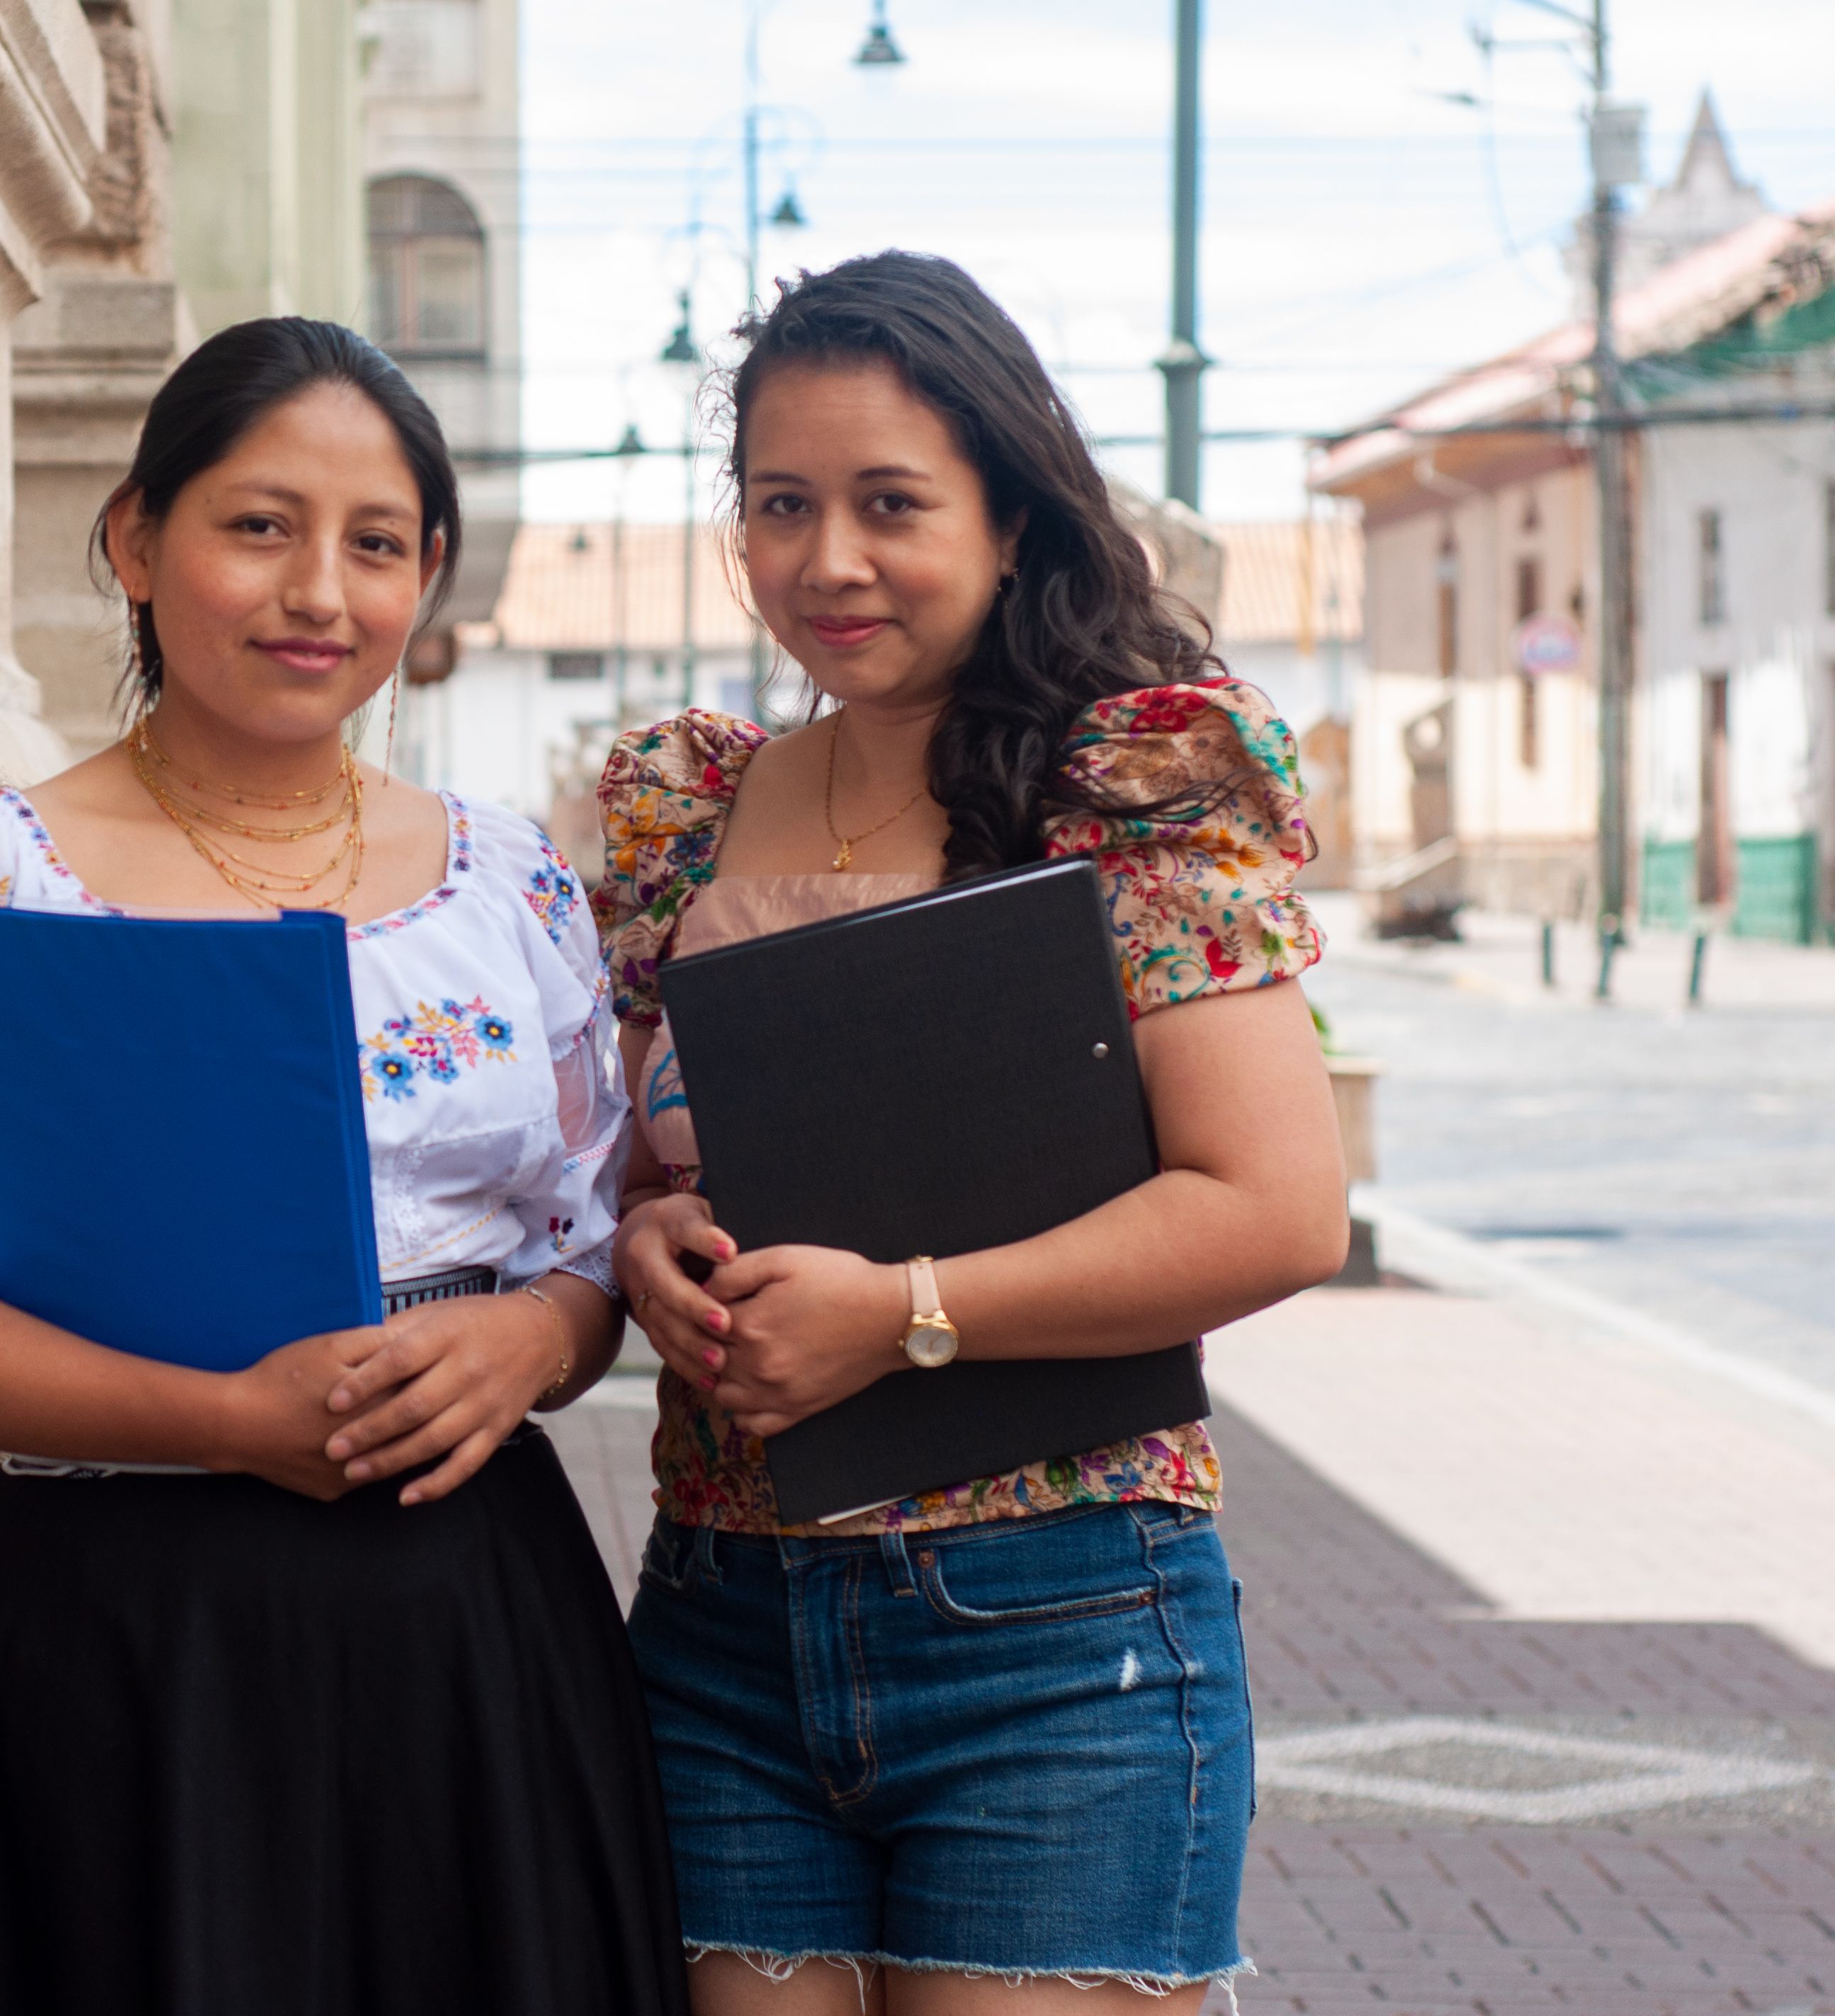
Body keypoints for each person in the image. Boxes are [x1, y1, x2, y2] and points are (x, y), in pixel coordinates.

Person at [0, 317, 686, 2016]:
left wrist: (532, 1337)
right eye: (258, 525)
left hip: (467, 1607)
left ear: (424, 579)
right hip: (126, 1626)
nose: (317, 591)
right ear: (133, 540)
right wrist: (235, 1418)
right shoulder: (0, 876)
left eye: (374, 543)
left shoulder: (509, 881)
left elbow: (596, 1244)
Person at [597, 252, 1351, 2015]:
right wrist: (644, 1242)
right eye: (779, 503)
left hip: (1057, 1629)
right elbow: (645, 1166)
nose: (826, 559)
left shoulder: (1133, 779)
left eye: (889, 503)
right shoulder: (683, 805)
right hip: (720, 1615)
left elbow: (1273, 1207)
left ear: (1008, 518)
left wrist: (900, 1310)